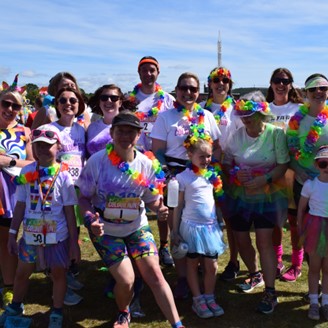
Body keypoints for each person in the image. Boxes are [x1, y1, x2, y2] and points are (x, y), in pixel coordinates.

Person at [76, 111, 186, 328]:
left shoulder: (147, 164)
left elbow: (152, 199)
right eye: (121, 131)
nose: (125, 136)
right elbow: (84, 199)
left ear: (138, 136)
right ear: (112, 133)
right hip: (105, 231)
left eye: (131, 132)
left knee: (155, 273)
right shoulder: (98, 162)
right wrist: (90, 220)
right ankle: (123, 311)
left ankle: (177, 324)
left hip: (137, 227)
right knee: (127, 280)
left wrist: (160, 208)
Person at [0, 124, 80, 327]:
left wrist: (73, 242)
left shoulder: (64, 175)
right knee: (21, 272)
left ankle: (57, 311)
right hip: (30, 236)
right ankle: (15, 306)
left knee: (58, 274)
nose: (43, 150)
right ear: (33, 149)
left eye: (48, 145)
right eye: (38, 146)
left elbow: (70, 213)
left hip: (58, 237)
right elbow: (19, 205)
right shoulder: (27, 171)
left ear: (58, 147)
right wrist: (12, 233)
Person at [151, 72, 221, 299]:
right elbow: (158, 150)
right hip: (175, 177)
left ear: (198, 92)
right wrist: (170, 175)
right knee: (178, 225)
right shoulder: (165, 117)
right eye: (184, 88)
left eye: (192, 88)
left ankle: (200, 269)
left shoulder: (208, 116)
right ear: (176, 89)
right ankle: (182, 278)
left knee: (201, 221)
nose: (188, 92)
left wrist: (211, 172)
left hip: (201, 179)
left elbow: (217, 147)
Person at [223, 92, 289, 314]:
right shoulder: (237, 135)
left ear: (262, 113)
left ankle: (271, 292)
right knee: (241, 239)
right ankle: (254, 274)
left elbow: (282, 165)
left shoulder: (275, 134)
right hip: (240, 196)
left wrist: (265, 178)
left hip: (267, 196)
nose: (245, 119)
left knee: (264, 242)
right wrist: (234, 175)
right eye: (242, 114)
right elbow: (227, 162)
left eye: (250, 114)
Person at [129, 56, 175, 267]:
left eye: (152, 70)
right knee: (135, 201)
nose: (148, 74)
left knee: (161, 204)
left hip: (159, 159)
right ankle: (133, 244)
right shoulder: (130, 99)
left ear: (158, 73)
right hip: (134, 159)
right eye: (144, 70)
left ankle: (164, 246)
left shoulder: (167, 99)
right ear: (139, 73)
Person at [172, 134, 225, 318]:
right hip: (191, 228)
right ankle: (198, 300)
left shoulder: (211, 176)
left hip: (210, 228)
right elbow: (178, 206)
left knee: (212, 266)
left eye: (209, 156)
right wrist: (175, 230)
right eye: (201, 156)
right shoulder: (182, 178)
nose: (206, 160)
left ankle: (209, 296)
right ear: (190, 155)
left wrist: (220, 219)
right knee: (192, 264)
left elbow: (214, 202)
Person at [199, 66, 242, 282]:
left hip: (229, 170)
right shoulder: (199, 109)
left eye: (225, 81)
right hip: (204, 170)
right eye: (216, 80)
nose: (221, 84)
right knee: (204, 215)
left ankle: (234, 261)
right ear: (210, 84)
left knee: (230, 218)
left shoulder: (237, 109)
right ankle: (203, 259)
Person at [286, 73, 328, 288]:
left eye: (324, 88)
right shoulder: (296, 121)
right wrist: (297, 170)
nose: (319, 92)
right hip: (305, 184)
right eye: (314, 89)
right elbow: (290, 153)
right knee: (312, 234)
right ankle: (316, 281)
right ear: (306, 93)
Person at [266, 68, 305, 280]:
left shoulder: (300, 109)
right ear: (271, 84)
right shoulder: (265, 109)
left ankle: (297, 263)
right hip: (272, 171)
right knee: (274, 220)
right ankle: (278, 259)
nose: (281, 84)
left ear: (291, 84)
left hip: (294, 171)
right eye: (277, 80)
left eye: (285, 81)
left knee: (294, 220)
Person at [0, 76, 34, 307]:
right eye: (5, 103)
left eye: (15, 105)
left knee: (6, 240)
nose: (10, 109)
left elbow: (32, 163)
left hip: (10, 194)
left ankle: (9, 286)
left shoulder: (24, 131)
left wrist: (7, 161)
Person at [50, 86, 86, 305]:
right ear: (57, 105)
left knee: (74, 232)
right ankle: (59, 285)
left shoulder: (82, 129)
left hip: (77, 190)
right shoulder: (49, 129)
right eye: (63, 100)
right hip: (56, 192)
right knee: (60, 236)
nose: (68, 104)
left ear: (78, 104)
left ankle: (69, 275)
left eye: (72, 100)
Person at [297, 145, 328, 321]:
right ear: (316, 165)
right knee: (315, 267)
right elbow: (301, 209)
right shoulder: (310, 185)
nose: (327, 168)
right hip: (315, 228)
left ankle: (326, 302)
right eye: (323, 163)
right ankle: (314, 302)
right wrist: (301, 228)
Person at [86, 84, 124, 157]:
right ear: (99, 102)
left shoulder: (128, 126)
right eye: (104, 98)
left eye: (114, 98)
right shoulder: (92, 127)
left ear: (120, 103)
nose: (108, 101)